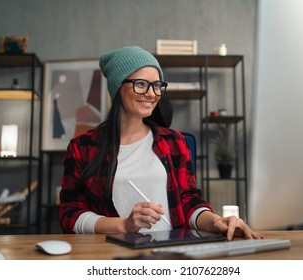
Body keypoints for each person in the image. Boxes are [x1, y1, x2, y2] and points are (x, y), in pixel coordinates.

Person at [59, 46, 263, 241]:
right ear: (118, 87)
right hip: (110, 255)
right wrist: (124, 225)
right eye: (141, 84)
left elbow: (188, 201)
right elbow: (69, 215)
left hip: (171, 253)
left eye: (157, 86)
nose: (152, 94)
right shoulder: (82, 148)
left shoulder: (174, 142)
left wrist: (217, 222)